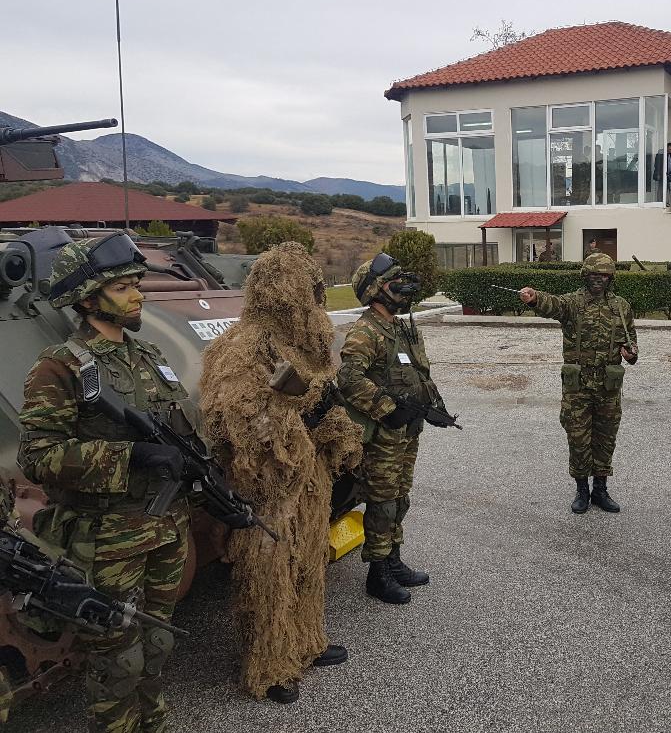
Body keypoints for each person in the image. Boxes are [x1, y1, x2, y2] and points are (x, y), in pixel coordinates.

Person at [18, 233, 192, 732]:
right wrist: (129, 456)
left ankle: (153, 718)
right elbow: (39, 455)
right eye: (122, 287)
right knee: (117, 654)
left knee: (158, 640)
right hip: (108, 536)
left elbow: (176, 427)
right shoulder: (60, 365)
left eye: (138, 283)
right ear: (89, 298)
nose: (138, 295)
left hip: (165, 524)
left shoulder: (147, 354)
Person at [198, 241, 360, 704]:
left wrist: (337, 431)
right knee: (267, 578)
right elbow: (233, 418)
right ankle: (268, 666)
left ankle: (306, 642)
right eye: (309, 292)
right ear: (285, 294)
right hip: (270, 489)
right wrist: (295, 419)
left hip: (310, 481)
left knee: (310, 563)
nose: (317, 301)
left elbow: (324, 399)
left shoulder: (302, 346)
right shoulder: (245, 346)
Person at [338, 253, 437, 604]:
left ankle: (393, 561)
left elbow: (418, 374)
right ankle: (377, 573)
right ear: (377, 290)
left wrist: (430, 406)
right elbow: (349, 378)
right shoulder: (366, 331)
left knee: (400, 497)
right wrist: (386, 409)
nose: (404, 285)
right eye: (395, 280)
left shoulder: (400, 326)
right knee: (381, 502)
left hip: (407, 430)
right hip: (383, 435)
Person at [518, 253, 638, 513]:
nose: (599, 280)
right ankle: (582, 490)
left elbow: (631, 342)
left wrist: (631, 353)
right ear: (586, 276)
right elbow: (553, 305)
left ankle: (601, 490)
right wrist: (535, 298)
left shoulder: (621, 306)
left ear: (610, 278)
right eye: (594, 275)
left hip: (608, 387)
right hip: (578, 387)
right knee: (578, 438)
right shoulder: (573, 303)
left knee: (606, 438)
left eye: (604, 275)